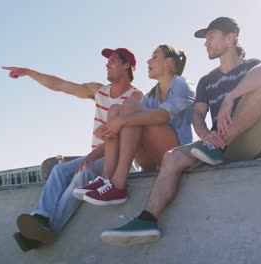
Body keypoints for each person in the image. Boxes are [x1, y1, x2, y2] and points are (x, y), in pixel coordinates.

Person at [100, 17, 261, 246]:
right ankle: (147, 220)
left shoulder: (252, 65)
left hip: (249, 140)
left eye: (211, 37)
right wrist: (204, 135)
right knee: (171, 157)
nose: (206, 43)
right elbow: (197, 116)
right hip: (216, 143)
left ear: (230, 38)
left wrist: (230, 97)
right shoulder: (206, 80)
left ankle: (217, 145)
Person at [2, 47, 143, 252]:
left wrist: (91, 157)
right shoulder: (99, 91)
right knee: (60, 170)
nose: (107, 64)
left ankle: (50, 229)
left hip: (120, 160)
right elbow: (61, 85)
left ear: (126, 65)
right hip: (96, 157)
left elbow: (125, 138)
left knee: (83, 171)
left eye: (113, 60)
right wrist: (27, 72)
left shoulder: (136, 96)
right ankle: (40, 217)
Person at [71, 44, 196, 206]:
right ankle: (106, 178)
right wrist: (93, 155)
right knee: (116, 108)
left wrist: (120, 121)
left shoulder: (183, 85)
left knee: (129, 108)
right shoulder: (152, 94)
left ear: (168, 62)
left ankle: (118, 184)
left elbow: (162, 116)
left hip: (176, 156)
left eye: (155, 56)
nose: (148, 61)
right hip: (152, 160)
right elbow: (124, 125)